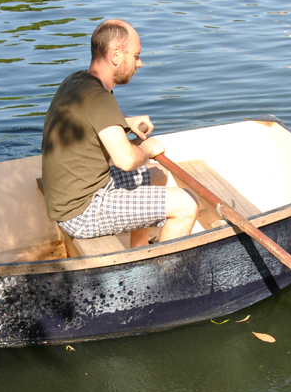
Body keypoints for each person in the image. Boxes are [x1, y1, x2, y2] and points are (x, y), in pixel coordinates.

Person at [41, 19, 198, 248]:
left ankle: (139, 251)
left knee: (158, 175)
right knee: (187, 204)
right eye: (136, 56)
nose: (140, 63)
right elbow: (126, 160)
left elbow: (92, 117)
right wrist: (148, 148)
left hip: (73, 197)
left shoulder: (77, 81)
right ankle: (166, 268)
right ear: (115, 55)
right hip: (83, 211)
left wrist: (126, 122)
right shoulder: (100, 97)